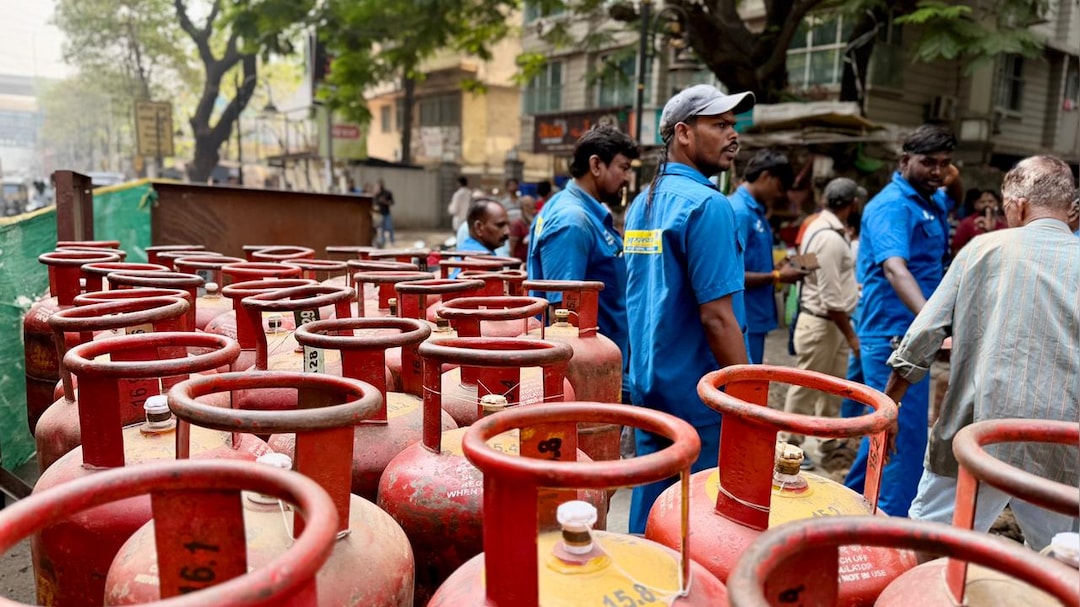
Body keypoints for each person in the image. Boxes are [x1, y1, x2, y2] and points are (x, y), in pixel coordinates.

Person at [884, 155, 1079, 549]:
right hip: (1065, 439)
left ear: (1018, 206)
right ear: (1070, 209)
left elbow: (923, 334)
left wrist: (890, 407)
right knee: (1060, 559)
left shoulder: (984, 248)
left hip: (978, 430)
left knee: (932, 544)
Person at [623, 84, 755, 533]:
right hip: (699, 394)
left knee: (652, 500)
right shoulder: (710, 205)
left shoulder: (645, 201)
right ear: (683, 133)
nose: (732, 135)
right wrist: (748, 397)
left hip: (650, 382)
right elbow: (717, 316)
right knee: (697, 519)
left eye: (733, 125)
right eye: (719, 125)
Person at [843, 123, 963, 517]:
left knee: (881, 428)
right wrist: (937, 324)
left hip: (914, 331)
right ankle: (891, 528)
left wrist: (951, 177)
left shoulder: (932, 200)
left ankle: (847, 504)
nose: (937, 171)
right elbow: (896, 270)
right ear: (903, 161)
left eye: (944, 164)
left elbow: (953, 194)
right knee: (903, 436)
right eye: (928, 162)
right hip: (894, 333)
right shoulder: (892, 205)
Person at [527, 126, 640, 400]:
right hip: (588, 374)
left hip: (605, 359)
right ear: (596, 165)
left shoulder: (586, 212)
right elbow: (563, 316)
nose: (627, 178)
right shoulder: (573, 221)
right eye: (623, 168)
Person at [781, 177, 864, 470]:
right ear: (852, 204)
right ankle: (789, 447)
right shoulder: (829, 236)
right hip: (824, 322)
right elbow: (830, 297)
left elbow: (803, 266)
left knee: (830, 388)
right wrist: (852, 336)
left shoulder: (818, 226)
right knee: (806, 387)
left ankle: (826, 441)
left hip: (825, 322)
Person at [728, 150, 809, 364]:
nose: (780, 195)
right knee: (743, 384)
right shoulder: (740, 212)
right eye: (780, 188)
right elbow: (730, 274)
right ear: (766, 177)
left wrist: (782, 267)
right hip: (743, 318)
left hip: (754, 316)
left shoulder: (756, 213)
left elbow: (751, 262)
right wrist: (778, 276)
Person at [950, 189, 1006, 255]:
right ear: (975, 205)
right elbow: (956, 248)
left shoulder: (1005, 222)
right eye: (982, 202)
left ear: (998, 204)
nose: (987, 204)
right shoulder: (967, 223)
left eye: (990, 201)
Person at [507, 195, 536, 261]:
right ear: (522, 207)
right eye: (527, 205)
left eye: (532, 205)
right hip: (520, 262)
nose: (530, 208)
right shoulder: (517, 224)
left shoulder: (535, 222)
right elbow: (511, 249)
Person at [374, 179, 395, 248]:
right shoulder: (377, 194)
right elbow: (375, 204)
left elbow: (392, 202)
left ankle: (392, 242)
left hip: (386, 214)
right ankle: (382, 243)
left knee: (389, 228)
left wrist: (385, 202)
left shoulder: (387, 193)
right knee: (381, 229)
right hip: (380, 215)